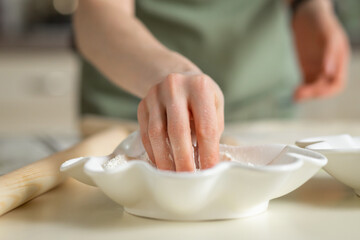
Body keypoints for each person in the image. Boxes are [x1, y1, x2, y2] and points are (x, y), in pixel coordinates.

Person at [74, 0, 349, 172]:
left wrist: (312, 7)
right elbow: (97, 11)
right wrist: (167, 73)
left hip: (263, 106)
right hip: (124, 113)